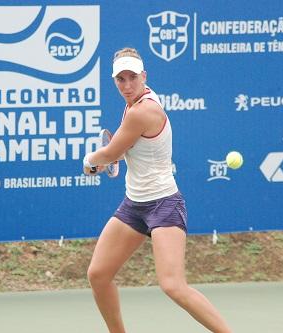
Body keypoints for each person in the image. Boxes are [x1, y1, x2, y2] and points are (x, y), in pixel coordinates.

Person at [82, 47, 232, 333]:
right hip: (134, 205)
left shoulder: (144, 110)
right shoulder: (134, 103)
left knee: (173, 285)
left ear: (144, 76)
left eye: (132, 78)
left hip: (163, 204)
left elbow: (112, 150)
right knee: (99, 274)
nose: (127, 85)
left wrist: (90, 160)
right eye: (121, 79)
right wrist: (109, 158)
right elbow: (125, 150)